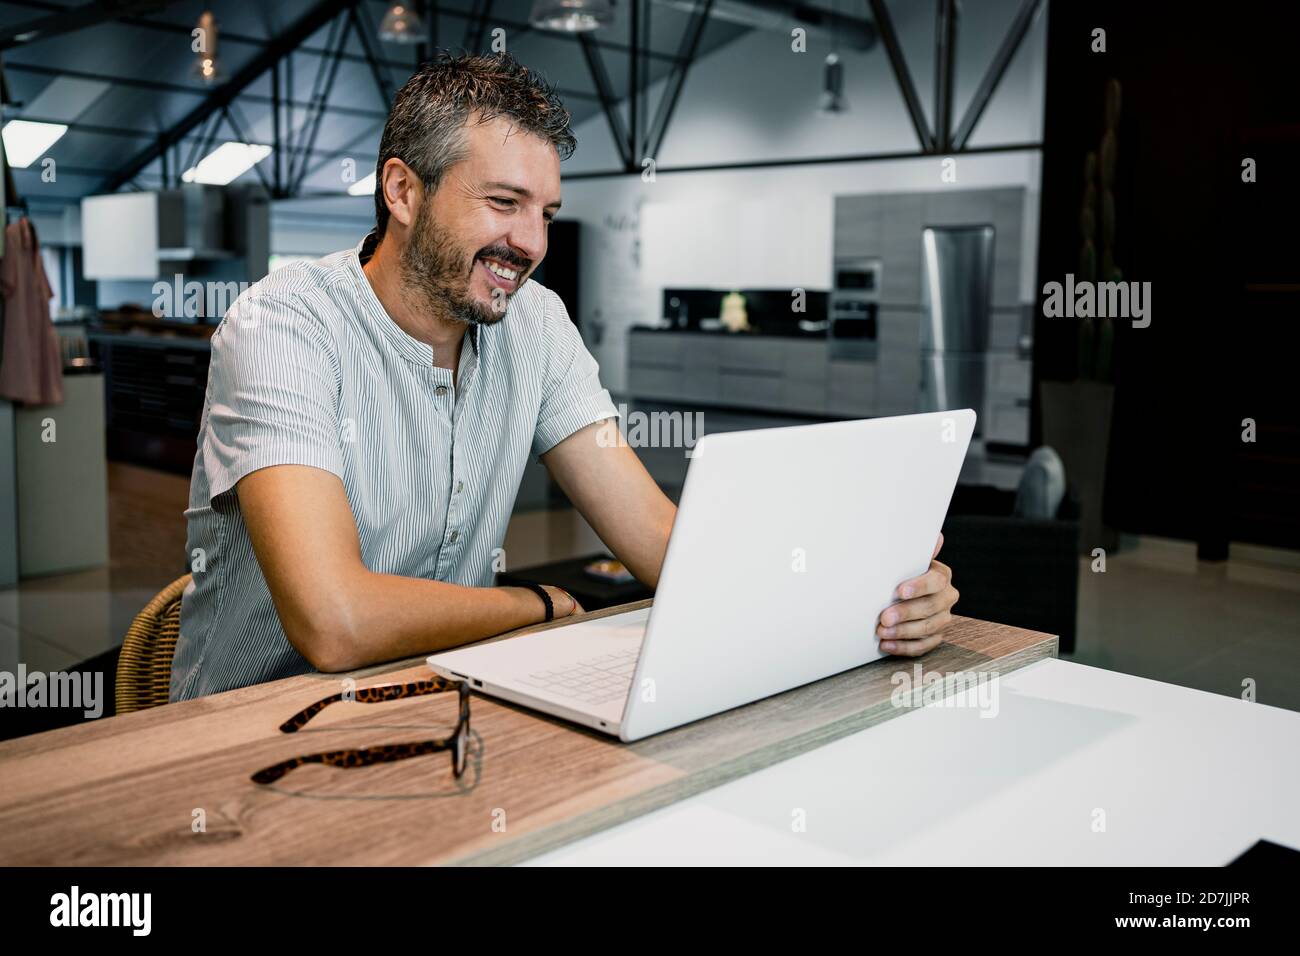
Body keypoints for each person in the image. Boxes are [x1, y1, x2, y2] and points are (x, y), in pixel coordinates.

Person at [170, 53, 959, 702]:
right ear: (403, 190)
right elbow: (334, 620)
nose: (531, 241)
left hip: (447, 707)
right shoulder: (283, 324)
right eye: (504, 203)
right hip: (251, 733)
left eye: (545, 211)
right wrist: (535, 605)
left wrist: (868, 601)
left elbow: (659, 542)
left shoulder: (536, 323)